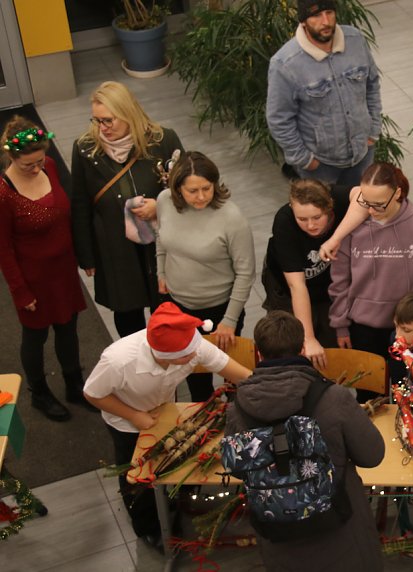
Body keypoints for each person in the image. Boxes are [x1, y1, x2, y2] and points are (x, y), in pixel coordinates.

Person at [224, 310, 384, 572]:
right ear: (301, 349)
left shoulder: (238, 408)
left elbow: (239, 469)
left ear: (258, 353)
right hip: (341, 530)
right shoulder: (335, 398)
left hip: (279, 536)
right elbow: (372, 455)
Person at [83, 302, 252, 547]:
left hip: (164, 411)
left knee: (171, 460)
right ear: (166, 357)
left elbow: (240, 374)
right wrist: (133, 415)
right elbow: (93, 394)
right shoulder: (118, 360)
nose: (196, 356)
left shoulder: (192, 345)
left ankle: (172, 497)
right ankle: (148, 525)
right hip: (127, 422)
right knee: (137, 475)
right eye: (187, 356)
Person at [71, 81, 184, 338]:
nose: (102, 128)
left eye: (108, 120)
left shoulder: (162, 139)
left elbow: (187, 186)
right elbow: (80, 204)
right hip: (115, 247)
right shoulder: (86, 149)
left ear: (127, 113)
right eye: (97, 121)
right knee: (127, 314)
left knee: (166, 310)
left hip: (160, 245)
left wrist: (160, 205)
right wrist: (86, 255)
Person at [0, 117, 89, 421]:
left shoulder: (49, 165)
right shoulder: (3, 193)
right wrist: (21, 292)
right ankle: (39, 393)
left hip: (62, 270)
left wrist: (82, 257)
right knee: (35, 336)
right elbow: (3, 249)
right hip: (33, 279)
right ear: (11, 156)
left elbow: (66, 215)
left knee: (68, 327)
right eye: (28, 165)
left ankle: (74, 384)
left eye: (39, 161)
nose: (37, 168)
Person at [156, 151, 256, 402]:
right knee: (194, 373)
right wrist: (161, 271)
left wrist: (230, 320)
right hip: (180, 307)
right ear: (177, 189)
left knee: (232, 376)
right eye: (192, 191)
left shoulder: (231, 217)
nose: (201, 196)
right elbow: (162, 238)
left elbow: (246, 272)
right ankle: (206, 415)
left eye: (206, 188)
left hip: (221, 309)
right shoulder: (164, 201)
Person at [328, 162, 413, 358]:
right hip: (362, 327)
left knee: (409, 385)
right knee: (367, 387)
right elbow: (340, 281)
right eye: (365, 202)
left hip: (408, 327)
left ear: (397, 193)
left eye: (379, 204)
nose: (371, 210)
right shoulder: (351, 228)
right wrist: (340, 326)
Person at [266, 0, 381, 188]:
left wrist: (373, 130)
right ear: (303, 21)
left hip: (362, 155)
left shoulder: (356, 40)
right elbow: (279, 118)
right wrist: (304, 159)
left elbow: (372, 85)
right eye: (316, 15)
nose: (325, 21)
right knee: (325, 216)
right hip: (320, 166)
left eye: (329, 12)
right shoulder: (285, 64)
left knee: (360, 211)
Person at [262, 178, 368, 370]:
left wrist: (334, 239)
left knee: (331, 340)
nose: (310, 225)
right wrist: (308, 338)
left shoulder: (336, 196)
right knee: (292, 343)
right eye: (302, 219)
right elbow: (297, 286)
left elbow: (364, 195)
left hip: (327, 284)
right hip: (288, 287)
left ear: (329, 207)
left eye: (317, 217)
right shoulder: (284, 222)